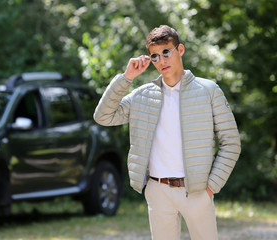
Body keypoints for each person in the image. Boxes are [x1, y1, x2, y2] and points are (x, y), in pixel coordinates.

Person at [93, 25, 241, 240]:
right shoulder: (143, 96)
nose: (161, 60)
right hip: (158, 190)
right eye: (155, 56)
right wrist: (127, 77)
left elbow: (231, 143)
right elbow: (103, 116)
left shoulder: (208, 91)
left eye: (166, 52)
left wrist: (211, 188)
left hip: (197, 192)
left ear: (180, 50)